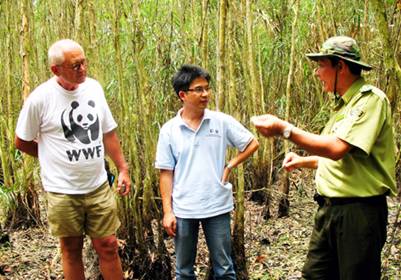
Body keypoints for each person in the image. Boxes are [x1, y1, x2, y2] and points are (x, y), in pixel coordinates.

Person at [251, 36, 396, 280]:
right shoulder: (342, 107)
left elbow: (337, 148)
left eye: (321, 66)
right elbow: (342, 158)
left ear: (340, 66)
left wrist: (285, 130)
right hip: (328, 211)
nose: (317, 73)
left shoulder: (371, 100)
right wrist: (303, 161)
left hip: (358, 214)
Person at [15, 39, 131, 280]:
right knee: (71, 250)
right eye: (75, 66)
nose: (82, 69)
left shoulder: (94, 88)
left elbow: (108, 131)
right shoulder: (40, 99)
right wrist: (46, 156)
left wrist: (122, 168)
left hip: (98, 185)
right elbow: (22, 141)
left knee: (109, 245)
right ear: (56, 69)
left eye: (83, 62)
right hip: (62, 190)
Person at [155, 64, 259, 279]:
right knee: (183, 272)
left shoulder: (220, 121)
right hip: (184, 208)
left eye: (207, 88)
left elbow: (251, 143)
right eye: (199, 89)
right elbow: (166, 172)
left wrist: (230, 166)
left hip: (217, 205)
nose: (206, 94)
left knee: (224, 269)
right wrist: (168, 211)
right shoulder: (169, 130)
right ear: (182, 95)